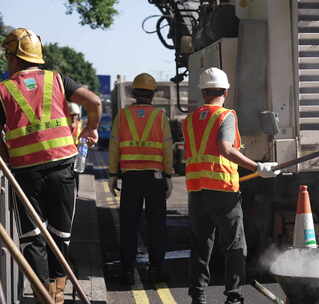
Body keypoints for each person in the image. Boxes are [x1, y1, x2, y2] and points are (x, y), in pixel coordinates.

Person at [0, 28, 102, 304]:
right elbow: (94, 101)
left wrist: (7, 158)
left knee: (32, 238)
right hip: (62, 167)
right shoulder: (57, 80)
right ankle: (57, 294)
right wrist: (90, 130)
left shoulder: (3, 89)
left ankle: (44, 297)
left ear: (13, 57)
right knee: (60, 234)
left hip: (25, 173)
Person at [182, 67, 280, 304]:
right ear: (225, 91)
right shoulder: (225, 115)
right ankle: (233, 297)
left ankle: (198, 296)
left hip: (197, 191)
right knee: (235, 245)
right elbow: (226, 149)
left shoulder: (189, 120)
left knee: (201, 246)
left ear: (203, 92)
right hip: (223, 191)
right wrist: (257, 167)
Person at [108, 73, 174, 285]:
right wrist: (169, 175)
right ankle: (157, 269)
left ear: (134, 94)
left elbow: (114, 146)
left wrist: (112, 175)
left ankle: (127, 271)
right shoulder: (160, 116)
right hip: (155, 178)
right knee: (157, 225)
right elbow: (167, 147)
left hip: (130, 178)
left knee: (129, 225)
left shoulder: (123, 116)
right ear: (153, 95)